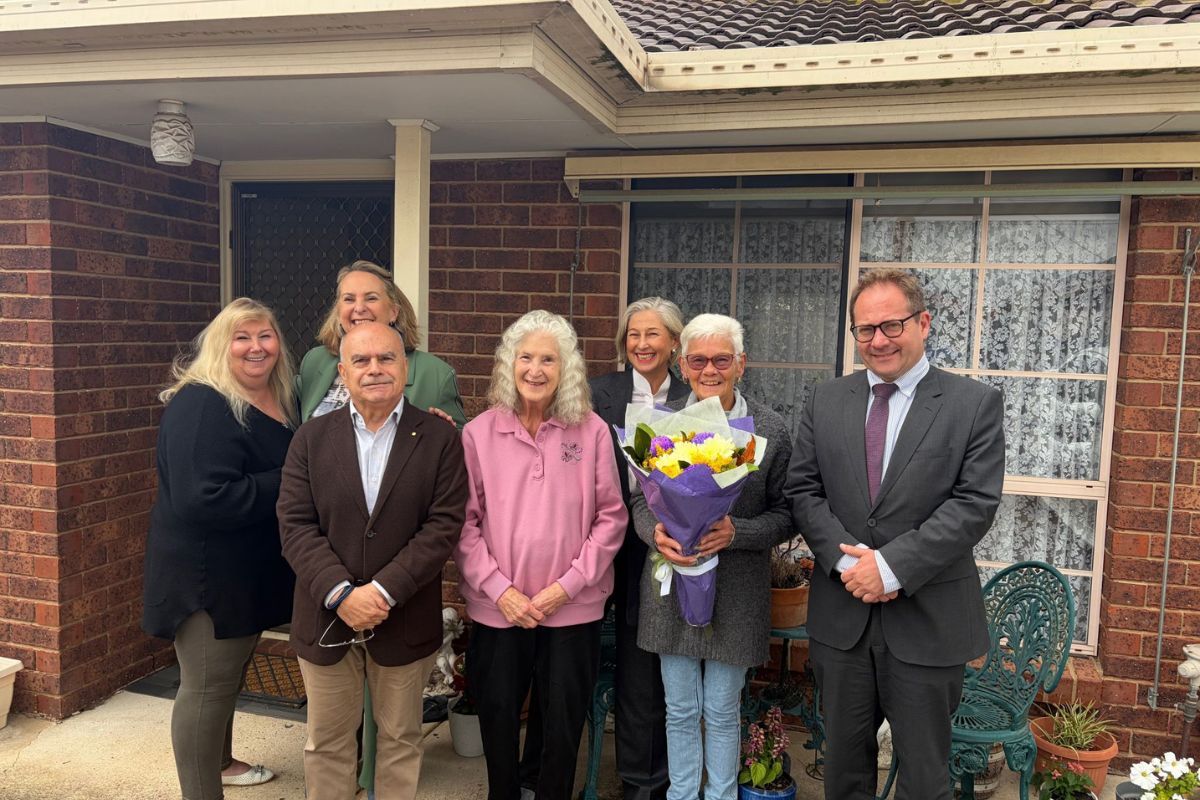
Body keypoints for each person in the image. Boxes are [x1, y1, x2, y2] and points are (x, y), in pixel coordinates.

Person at [785, 268, 1005, 800]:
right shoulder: (826, 400)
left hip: (927, 621)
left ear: (923, 323)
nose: (878, 340)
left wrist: (889, 568)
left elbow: (974, 504)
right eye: (865, 329)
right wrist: (847, 567)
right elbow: (803, 491)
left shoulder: (972, 403)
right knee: (841, 770)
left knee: (926, 778)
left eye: (892, 325)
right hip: (842, 620)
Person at [278, 321, 468, 800]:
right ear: (343, 372)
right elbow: (295, 525)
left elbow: (443, 526)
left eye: (386, 358)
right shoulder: (311, 438)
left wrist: (381, 592)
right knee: (327, 745)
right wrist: (341, 593)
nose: (374, 369)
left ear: (406, 367)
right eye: (360, 361)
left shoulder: (440, 439)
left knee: (401, 740)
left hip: (403, 617)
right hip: (326, 615)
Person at [454, 309, 627, 800]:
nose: (535, 369)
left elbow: (611, 517)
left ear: (565, 368)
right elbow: (463, 526)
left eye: (548, 359)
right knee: (499, 719)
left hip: (571, 608)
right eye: (525, 357)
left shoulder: (591, 431)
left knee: (561, 727)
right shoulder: (479, 434)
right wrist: (501, 592)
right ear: (508, 364)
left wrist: (564, 589)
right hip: (498, 610)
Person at [631, 313, 793, 800]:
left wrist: (736, 531)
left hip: (738, 592)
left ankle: (720, 796)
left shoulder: (770, 429)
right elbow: (639, 500)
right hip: (672, 582)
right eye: (698, 359)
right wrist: (654, 531)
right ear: (682, 364)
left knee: (723, 710)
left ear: (741, 364)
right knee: (679, 709)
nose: (709, 369)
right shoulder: (659, 423)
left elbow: (788, 514)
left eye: (722, 359)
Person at [142, 297, 298, 800]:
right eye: (242, 337)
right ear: (219, 345)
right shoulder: (203, 402)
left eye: (265, 335)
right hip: (206, 578)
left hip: (246, 573)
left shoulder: (278, 397)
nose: (257, 347)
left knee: (224, 679)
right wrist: (290, 480)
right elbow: (200, 498)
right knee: (206, 688)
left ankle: (225, 763)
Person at [589, 297, 689, 800]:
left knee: (650, 663)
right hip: (601, 542)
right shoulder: (596, 393)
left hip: (667, 544)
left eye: (653, 334)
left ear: (674, 341)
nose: (642, 344)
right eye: (633, 335)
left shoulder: (696, 398)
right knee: (623, 664)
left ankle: (657, 778)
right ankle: (633, 776)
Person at [299, 259, 466, 426]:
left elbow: (462, 444)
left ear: (394, 312)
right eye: (349, 299)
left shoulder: (435, 375)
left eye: (371, 298)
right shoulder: (314, 362)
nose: (359, 308)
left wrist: (447, 431)